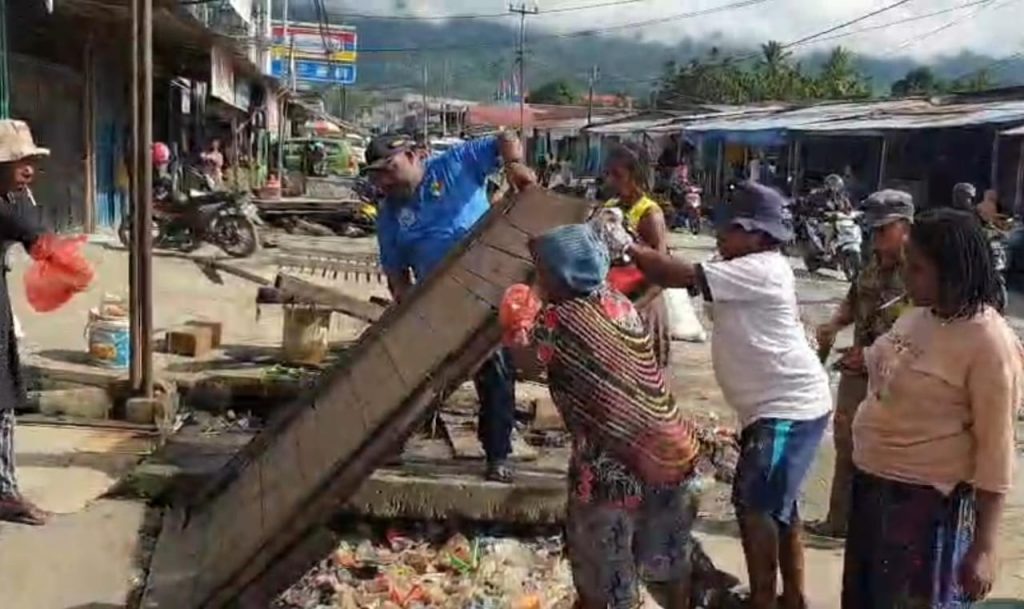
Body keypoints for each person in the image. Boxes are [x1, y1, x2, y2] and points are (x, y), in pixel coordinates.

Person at [628, 181, 832, 609]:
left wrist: (625, 244)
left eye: (732, 227)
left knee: (755, 502)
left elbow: (675, 274)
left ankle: (763, 600)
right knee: (780, 506)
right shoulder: (736, 262)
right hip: (771, 407)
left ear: (759, 234)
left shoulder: (762, 268)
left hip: (788, 406)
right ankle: (792, 598)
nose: (720, 233)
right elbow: (668, 281)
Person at [843, 208, 1022, 609]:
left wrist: (984, 548)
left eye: (918, 269)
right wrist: (864, 360)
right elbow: (889, 356)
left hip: (926, 512)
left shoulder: (989, 344)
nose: (907, 276)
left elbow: (996, 452)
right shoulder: (919, 316)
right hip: (874, 493)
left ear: (954, 272)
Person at [513, 223, 699, 609]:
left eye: (541, 268)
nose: (537, 276)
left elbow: (525, 361)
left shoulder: (559, 320)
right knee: (664, 562)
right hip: (672, 451)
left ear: (560, 274)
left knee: (606, 578)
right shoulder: (618, 303)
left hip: (611, 467)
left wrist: (519, 313)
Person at [366, 131, 536, 483]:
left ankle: (498, 454)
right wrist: (409, 312)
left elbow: (506, 137)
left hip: (487, 295)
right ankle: (392, 443)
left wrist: (514, 164)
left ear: (414, 156)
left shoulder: (455, 165)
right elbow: (397, 274)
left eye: (389, 169)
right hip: (436, 305)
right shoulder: (389, 216)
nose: (384, 180)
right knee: (415, 378)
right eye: (376, 174)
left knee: (495, 375)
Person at [810, 190, 914, 539]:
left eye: (884, 230)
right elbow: (853, 302)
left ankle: (879, 528)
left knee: (887, 452)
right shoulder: (871, 262)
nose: (876, 237)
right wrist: (833, 326)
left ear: (906, 226)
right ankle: (838, 521)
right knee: (846, 444)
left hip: (899, 378)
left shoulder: (921, 270)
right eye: (873, 230)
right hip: (858, 372)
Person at [0, 119, 65, 525]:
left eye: (30, 162)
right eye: (18, 162)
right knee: (2, 404)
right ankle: (4, 493)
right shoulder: (7, 207)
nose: (28, 170)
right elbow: (38, 240)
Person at [604, 143, 671, 370]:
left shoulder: (649, 214)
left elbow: (662, 272)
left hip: (642, 305)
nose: (611, 181)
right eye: (609, 173)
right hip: (616, 304)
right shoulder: (611, 207)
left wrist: (634, 308)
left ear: (636, 175)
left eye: (618, 175)